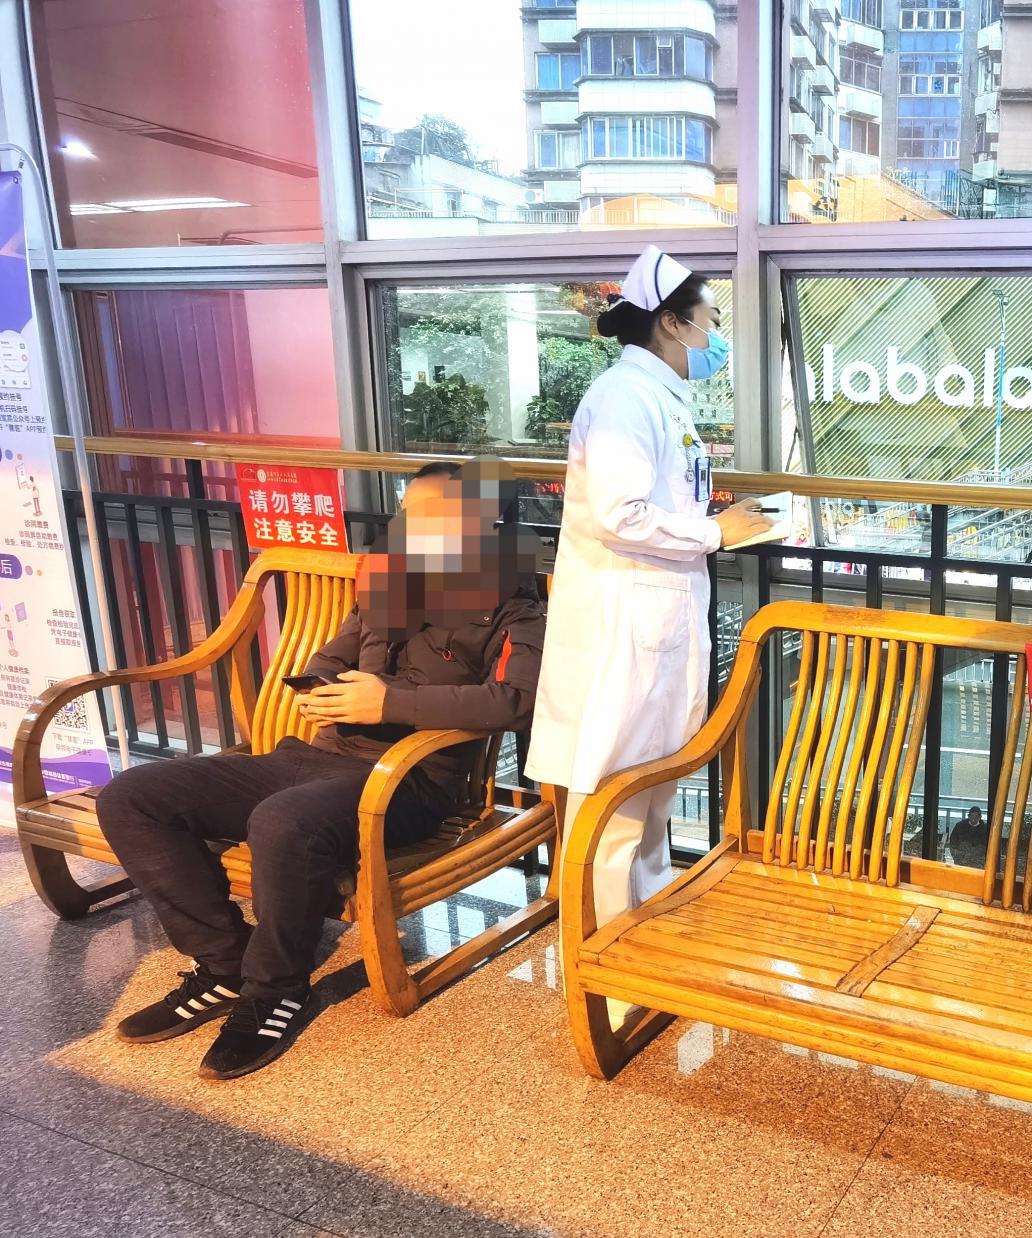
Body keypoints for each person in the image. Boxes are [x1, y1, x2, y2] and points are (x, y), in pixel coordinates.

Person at [96, 461, 547, 1079]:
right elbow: (332, 655)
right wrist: (321, 685)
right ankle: (225, 965)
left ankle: (275, 989)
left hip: (406, 782)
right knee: (133, 796)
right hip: (310, 758)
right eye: (409, 514)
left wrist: (389, 703)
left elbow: (518, 703)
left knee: (283, 821)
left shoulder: (515, 605)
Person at [526, 247, 771, 940]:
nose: (715, 338)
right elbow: (618, 514)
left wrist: (717, 521)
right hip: (624, 624)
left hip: (657, 615)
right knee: (618, 790)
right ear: (671, 322)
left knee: (653, 786)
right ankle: (603, 949)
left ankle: (645, 924)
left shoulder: (659, 396)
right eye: (710, 321)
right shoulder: (622, 399)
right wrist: (715, 532)